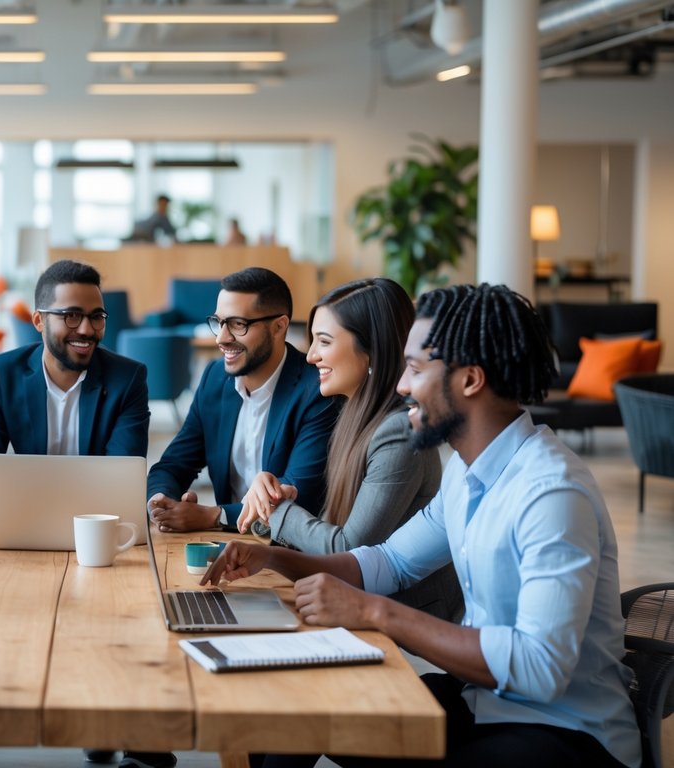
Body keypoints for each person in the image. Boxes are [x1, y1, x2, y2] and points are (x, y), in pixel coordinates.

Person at [204, 283, 642, 768]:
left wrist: (375, 613)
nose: (401, 386)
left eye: (415, 369)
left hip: (567, 733)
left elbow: (540, 669)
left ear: (470, 380)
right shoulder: (465, 471)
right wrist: (274, 555)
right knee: (317, 704)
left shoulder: (551, 491)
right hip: (485, 704)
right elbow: (389, 562)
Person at [237, 278, 462, 622]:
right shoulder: (353, 416)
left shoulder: (398, 431)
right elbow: (328, 530)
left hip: (412, 631)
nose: (310, 356)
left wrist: (276, 509)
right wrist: (268, 501)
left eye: (323, 342)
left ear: (371, 350)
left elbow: (348, 548)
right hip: (360, 607)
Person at [146, 267, 338, 534]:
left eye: (238, 324)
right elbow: (173, 465)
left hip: (289, 549)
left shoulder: (317, 391)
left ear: (279, 327)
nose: (222, 338)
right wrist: (161, 501)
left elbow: (298, 495)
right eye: (219, 322)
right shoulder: (214, 378)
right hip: (222, 548)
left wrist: (213, 516)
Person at [0, 259, 149, 512]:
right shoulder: (2, 373)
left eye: (96, 317)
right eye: (71, 316)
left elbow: (123, 474)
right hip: (26, 513)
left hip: (97, 519)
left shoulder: (127, 379)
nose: (86, 329)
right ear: (39, 321)